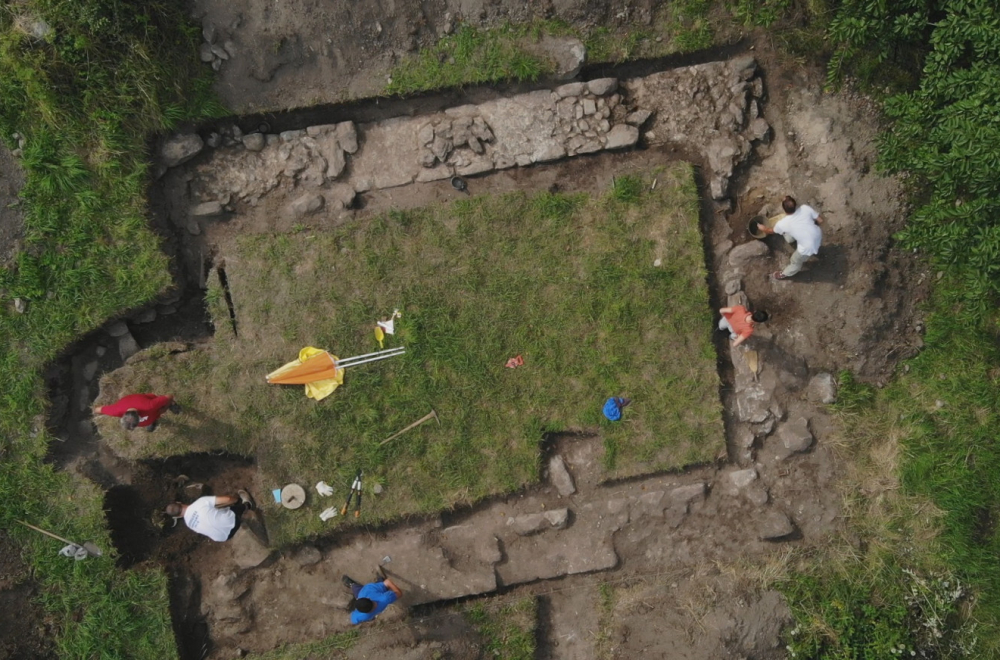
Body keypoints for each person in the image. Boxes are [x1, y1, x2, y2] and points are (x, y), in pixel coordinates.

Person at [757, 196, 824, 279]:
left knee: (795, 261)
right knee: (789, 236)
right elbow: (820, 220)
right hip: (818, 234)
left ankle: (784, 274)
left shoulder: (783, 223)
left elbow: (769, 231)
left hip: (808, 246)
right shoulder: (805, 208)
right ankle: (798, 239)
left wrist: (762, 228)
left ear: (784, 210)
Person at [164, 491, 255, 542]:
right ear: (179, 503)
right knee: (230, 509)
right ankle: (248, 505)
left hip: (224, 537)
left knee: (217, 513)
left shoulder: (188, 523)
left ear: (177, 516)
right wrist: (235, 500)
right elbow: (228, 499)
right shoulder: (200, 502)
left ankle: (242, 521)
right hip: (232, 521)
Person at [93, 393, 180, 432]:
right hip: (151, 415)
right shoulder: (116, 410)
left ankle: (171, 405)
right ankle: (152, 421)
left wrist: (165, 408)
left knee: (162, 405)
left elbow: (169, 396)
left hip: (154, 406)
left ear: (139, 416)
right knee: (151, 419)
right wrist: (95, 412)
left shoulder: (150, 405)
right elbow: (98, 409)